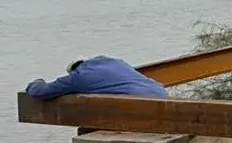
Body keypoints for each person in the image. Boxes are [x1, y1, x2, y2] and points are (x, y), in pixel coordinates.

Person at [26, 57, 168, 100]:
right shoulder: (118, 63)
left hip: (137, 108)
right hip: (162, 96)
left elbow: (40, 92)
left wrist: (37, 82)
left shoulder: (79, 77)